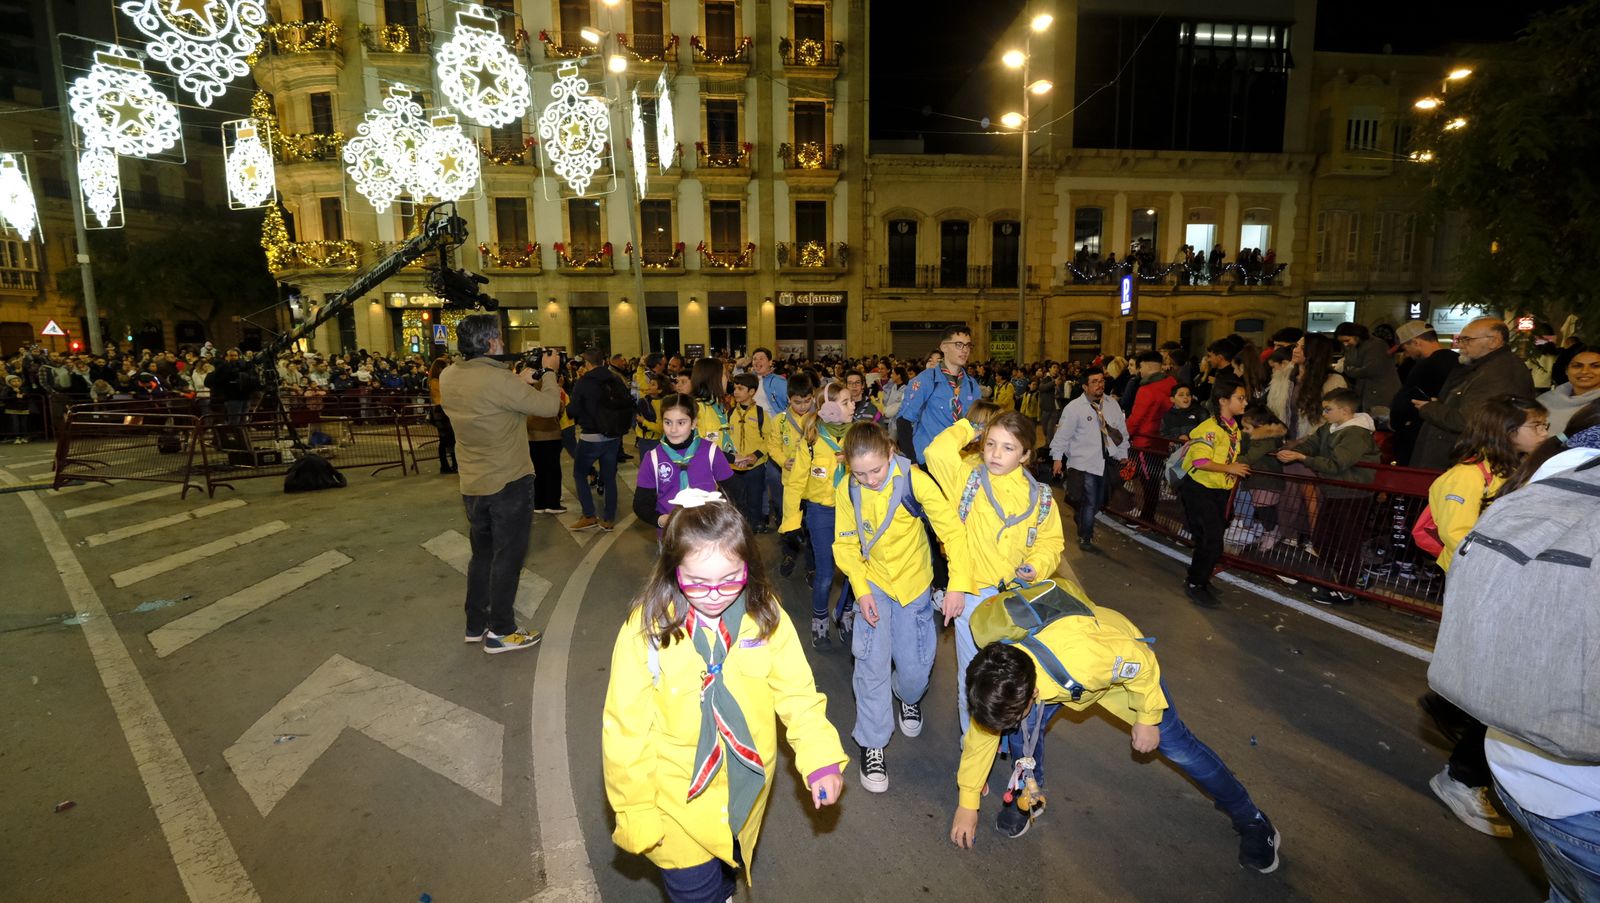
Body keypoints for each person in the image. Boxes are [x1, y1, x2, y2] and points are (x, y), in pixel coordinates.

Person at [601, 499, 846, 902]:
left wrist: (820, 758)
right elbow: (625, 731)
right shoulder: (645, 632)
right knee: (697, 892)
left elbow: (797, 693)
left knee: (726, 871)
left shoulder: (765, 616)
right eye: (697, 582)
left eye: (730, 578)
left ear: (749, 567)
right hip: (676, 801)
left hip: (742, 793)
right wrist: (635, 808)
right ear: (672, 570)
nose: (714, 595)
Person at [949, 588, 1281, 871]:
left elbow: (1141, 661)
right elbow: (982, 736)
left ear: (1032, 694)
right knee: (1020, 734)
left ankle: (1253, 820)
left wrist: (1149, 718)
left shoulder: (1089, 659)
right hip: (1053, 674)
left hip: (1117, 668)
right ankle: (1029, 794)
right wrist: (967, 804)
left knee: (1178, 745)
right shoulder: (998, 673)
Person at [1423, 394, 1549, 838]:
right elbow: (1460, 538)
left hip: (1517, 591)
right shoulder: (1466, 477)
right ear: (1506, 430)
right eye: (1536, 426)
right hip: (1480, 591)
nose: (1545, 434)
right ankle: (1463, 773)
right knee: (1496, 684)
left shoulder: (1523, 473)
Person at [832, 422, 971, 793]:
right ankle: (873, 743)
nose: (870, 479)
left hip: (914, 586)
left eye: (875, 470)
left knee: (914, 669)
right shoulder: (848, 486)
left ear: (890, 452)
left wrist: (957, 584)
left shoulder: (915, 480)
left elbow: (953, 532)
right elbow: (845, 544)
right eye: (860, 473)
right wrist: (860, 590)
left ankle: (908, 697)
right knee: (870, 664)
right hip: (873, 583)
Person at [924, 411, 1064, 737]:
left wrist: (1037, 566)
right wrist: (970, 427)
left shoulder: (1041, 498)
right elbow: (936, 452)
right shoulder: (966, 479)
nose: (996, 454)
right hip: (973, 594)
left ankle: (1002, 732)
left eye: (1008, 448)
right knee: (973, 675)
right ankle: (971, 741)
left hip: (1016, 599)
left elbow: (1050, 542)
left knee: (1011, 675)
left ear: (1027, 455)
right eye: (990, 444)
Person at [438, 315, 560, 654]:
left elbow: (491, 401)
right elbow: (550, 407)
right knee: (508, 557)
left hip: (473, 483)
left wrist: (518, 381)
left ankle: (476, 624)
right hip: (509, 481)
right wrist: (548, 372)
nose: (504, 344)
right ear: (491, 343)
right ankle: (502, 631)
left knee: (482, 555)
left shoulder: (450, 375)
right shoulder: (499, 382)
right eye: (501, 339)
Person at [1272, 388, 1379, 601]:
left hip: (1352, 494)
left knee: (1346, 542)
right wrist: (1293, 450)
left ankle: (1349, 587)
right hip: (1334, 492)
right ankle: (1338, 578)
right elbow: (1312, 443)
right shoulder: (1331, 427)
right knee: (1323, 538)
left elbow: (1337, 464)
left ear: (1345, 410)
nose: (1324, 413)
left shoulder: (1356, 434)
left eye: (1328, 409)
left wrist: (1302, 458)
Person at [780, 381, 859, 647]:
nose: (853, 405)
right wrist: (791, 521)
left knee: (853, 572)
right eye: (846, 402)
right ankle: (820, 622)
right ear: (830, 408)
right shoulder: (811, 442)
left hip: (852, 514)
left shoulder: (858, 437)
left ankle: (847, 614)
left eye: (851, 400)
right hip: (821, 513)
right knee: (825, 574)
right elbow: (795, 483)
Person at [1412, 319, 1536, 470]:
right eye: (1460, 339)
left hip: (1468, 463)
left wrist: (1429, 408)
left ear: (1494, 341)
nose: (1460, 345)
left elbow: (1469, 421)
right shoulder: (1485, 366)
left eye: (1467, 340)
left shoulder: (1498, 372)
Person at [1176, 380, 1251, 608]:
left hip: (1218, 489)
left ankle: (1201, 579)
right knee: (1212, 538)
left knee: (1211, 539)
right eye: (1240, 398)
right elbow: (1200, 461)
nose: (1245, 402)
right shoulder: (1209, 429)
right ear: (1223, 401)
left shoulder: (1232, 427)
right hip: (1199, 488)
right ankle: (1195, 583)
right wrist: (1231, 468)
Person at [1048, 368, 1130, 551]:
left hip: (1107, 461)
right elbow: (1062, 436)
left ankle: (1082, 515)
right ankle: (1086, 536)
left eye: (1101, 381)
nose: (1099, 385)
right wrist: (1057, 458)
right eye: (1094, 381)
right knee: (1091, 500)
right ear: (1085, 386)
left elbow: (1122, 432)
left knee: (1101, 500)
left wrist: (1123, 455)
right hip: (1083, 463)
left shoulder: (1112, 405)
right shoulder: (1074, 408)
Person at [634, 394, 735, 531]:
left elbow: (733, 491)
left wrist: (715, 515)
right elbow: (640, 504)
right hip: (670, 534)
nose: (673, 429)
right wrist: (661, 520)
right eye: (667, 422)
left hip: (708, 531)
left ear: (693, 423)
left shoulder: (711, 452)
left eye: (681, 423)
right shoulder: (652, 458)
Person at [567, 348, 635, 531]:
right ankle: (609, 519)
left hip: (591, 436)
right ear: (604, 362)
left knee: (580, 474)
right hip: (613, 436)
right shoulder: (615, 378)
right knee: (610, 476)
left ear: (587, 364)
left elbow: (572, 410)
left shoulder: (584, 382)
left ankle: (589, 515)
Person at [896, 325, 981, 464]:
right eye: (959, 345)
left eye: (968, 345)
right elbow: (903, 421)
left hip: (961, 461)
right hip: (929, 461)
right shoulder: (925, 381)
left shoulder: (971, 385)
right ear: (944, 347)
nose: (965, 350)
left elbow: (978, 423)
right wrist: (912, 462)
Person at [764, 373, 815, 577]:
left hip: (813, 486)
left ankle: (812, 565)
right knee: (789, 520)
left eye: (807, 401)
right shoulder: (780, 421)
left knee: (812, 526)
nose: (802, 406)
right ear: (788, 399)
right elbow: (772, 445)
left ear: (813, 397)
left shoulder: (817, 420)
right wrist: (783, 460)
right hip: (789, 481)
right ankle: (789, 553)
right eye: (797, 402)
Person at [1388, 322, 1459, 466]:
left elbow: (1403, 402)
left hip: (1419, 433)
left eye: (1405, 348)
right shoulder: (1457, 361)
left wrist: (1394, 422)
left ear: (1416, 342)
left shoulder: (1426, 365)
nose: (1406, 353)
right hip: (1446, 434)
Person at [725, 373, 770, 530]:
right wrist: (732, 457)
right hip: (734, 466)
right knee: (736, 500)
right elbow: (726, 439)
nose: (735, 392)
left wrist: (755, 455)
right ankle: (738, 529)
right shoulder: (729, 413)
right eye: (735, 388)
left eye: (740, 388)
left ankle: (754, 526)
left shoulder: (760, 414)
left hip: (755, 466)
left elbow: (769, 439)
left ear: (751, 392)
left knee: (754, 499)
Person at [1334, 322, 1402, 419]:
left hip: (1380, 394)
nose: (1345, 344)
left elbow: (1368, 370)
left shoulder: (1376, 345)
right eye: (1342, 342)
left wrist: (1350, 370)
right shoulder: (1351, 347)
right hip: (1364, 391)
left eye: (1347, 340)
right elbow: (1348, 364)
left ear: (1356, 335)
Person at [1537, 350, 1600, 436]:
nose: (1584, 371)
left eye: (1595, 366)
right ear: (1566, 370)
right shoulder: (1544, 401)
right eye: (1577, 366)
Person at [428, 356, 457, 475]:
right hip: (441, 410)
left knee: (449, 439)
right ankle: (445, 465)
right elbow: (442, 394)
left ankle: (453, 464)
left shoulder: (436, 380)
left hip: (442, 409)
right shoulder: (435, 381)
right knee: (446, 439)